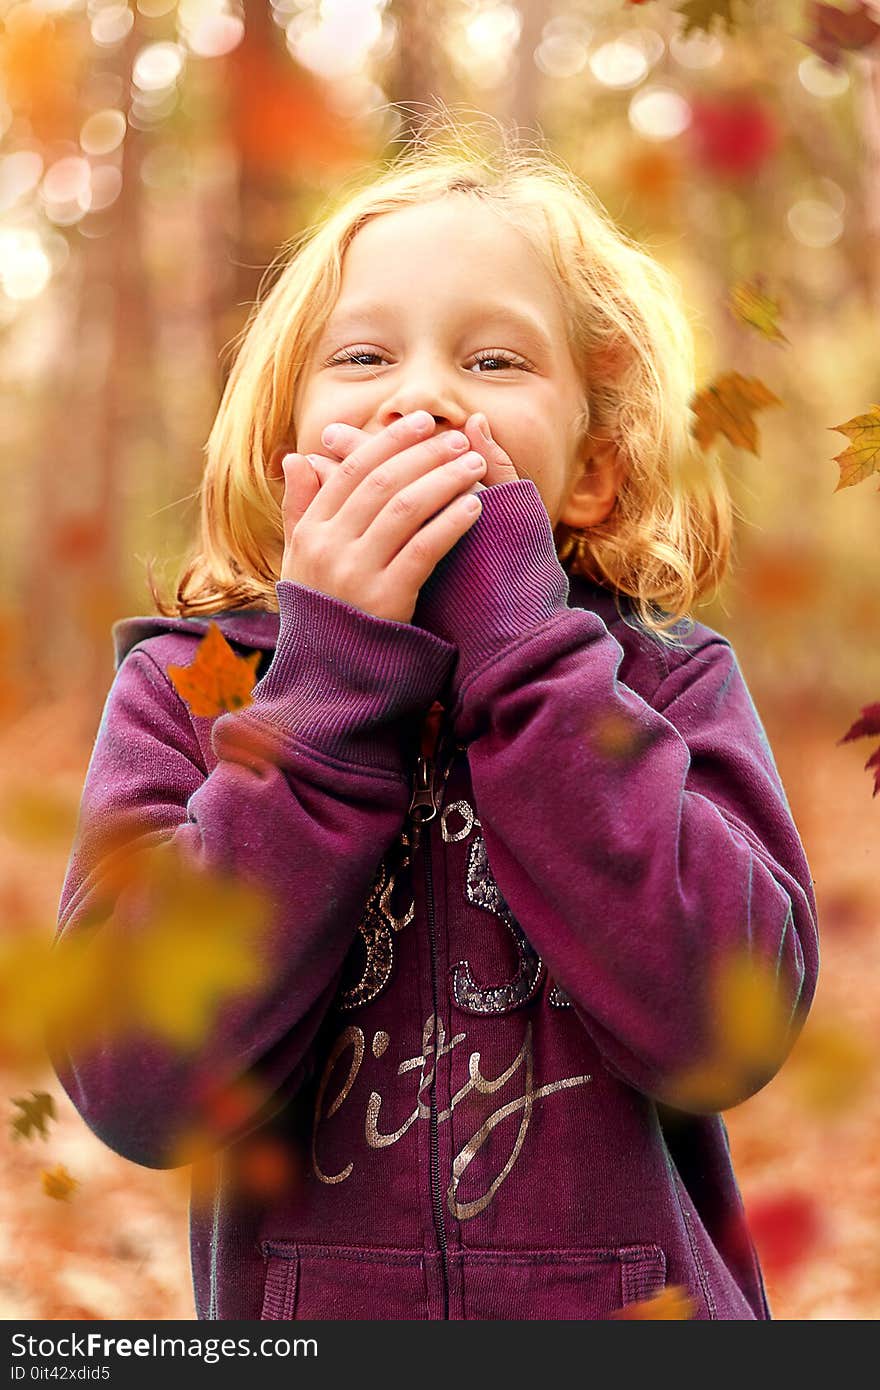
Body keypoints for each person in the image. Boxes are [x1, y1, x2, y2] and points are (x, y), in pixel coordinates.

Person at [49, 116, 819, 1321]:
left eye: (495, 363)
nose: (423, 398)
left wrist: (521, 648)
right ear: (290, 446)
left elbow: (732, 1025)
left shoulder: (664, 679)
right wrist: (327, 692)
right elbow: (135, 1085)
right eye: (362, 359)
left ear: (590, 471)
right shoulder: (195, 691)